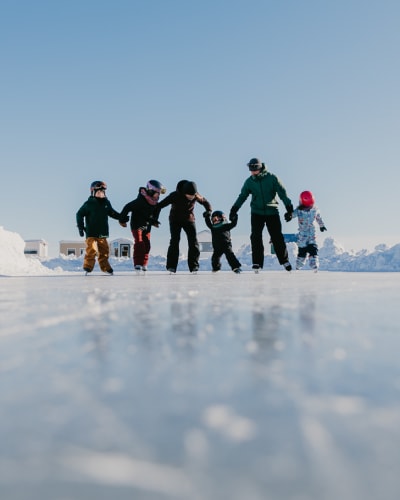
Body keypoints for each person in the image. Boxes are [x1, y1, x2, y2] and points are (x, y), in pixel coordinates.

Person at [230, 157, 294, 272]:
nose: (252, 172)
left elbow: (282, 193)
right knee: (255, 237)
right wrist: (234, 209)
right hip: (256, 213)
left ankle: (284, 260)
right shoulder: (249, 182)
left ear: (259, 168)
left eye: (254, 169)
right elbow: (242, 196)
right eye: (250, 169)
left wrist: (289, 209)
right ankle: (257, 263)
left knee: (277, 236)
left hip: (272, 211)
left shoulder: (272, 178)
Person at [154, 180, 212, 273]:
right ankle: (171, 267)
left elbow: (206, 203)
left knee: (193, 241)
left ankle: (194, 266)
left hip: (189, 220)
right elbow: (159, 205)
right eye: (189, 196)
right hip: (175, 220)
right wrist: (155, 219)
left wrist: (208, 211)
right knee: (175, 241)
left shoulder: (196, 195)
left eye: (192, 196)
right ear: (184, 193)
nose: (191, 197)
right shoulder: (175, 195)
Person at [119, 180, 166, 272]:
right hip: (137, 225)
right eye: (157, 194)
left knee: (147, 245)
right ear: (151, 191)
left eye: (159, 194)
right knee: (139, 243)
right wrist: (122, 220)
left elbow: (157, 210)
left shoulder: (155, 203)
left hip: (147, 226)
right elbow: (127, 207)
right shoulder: (140, 201)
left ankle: (144, 264)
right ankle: (137, 264)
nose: (158, 196)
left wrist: (154, 221)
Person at [76, 180, 121, 275]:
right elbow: (79, 214)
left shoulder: (106, 203)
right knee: (91, 249)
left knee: (104, 251)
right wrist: (80, 227)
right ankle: (88, 267)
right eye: (98, 192)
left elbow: (112, 213)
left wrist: (121, 217)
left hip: (102, 233)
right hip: (91, 232)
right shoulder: (89, 203)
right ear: (93, 192)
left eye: (102, 192)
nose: (101, 194)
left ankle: (105, 267)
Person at [286, 190, 327, 271]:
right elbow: (293, 215)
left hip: (312, 237)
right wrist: (289, 215)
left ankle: (314, 265)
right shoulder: (299, 210)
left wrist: (322, 226)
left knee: (313, 252)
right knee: (302, 254)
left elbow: (318, 218)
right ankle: (298, 266)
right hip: (303, 238)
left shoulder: (315, 210)